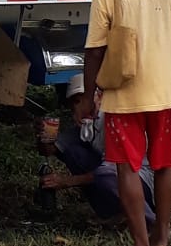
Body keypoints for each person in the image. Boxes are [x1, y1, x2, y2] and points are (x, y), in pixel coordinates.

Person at [76, 0, 171, 246]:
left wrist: (89, 96)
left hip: (126, 95)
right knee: (166, 161)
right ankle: (162, 239)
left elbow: (94, 51)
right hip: (168, 91)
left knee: (127, 166)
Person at [37, 73, 156, 226]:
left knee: (105, 177)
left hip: (141, 179)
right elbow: (51, 150)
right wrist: (43, 136)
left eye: (83, 99)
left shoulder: (113, 117)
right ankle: (113, 213)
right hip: (116, 175)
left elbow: (110, 170)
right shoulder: (86, 124)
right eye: (75, 102)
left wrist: (67, 181)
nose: (79, 107)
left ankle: (150, 221)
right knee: (75, 153)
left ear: (99, 97)